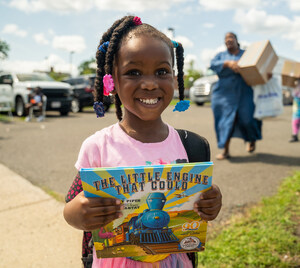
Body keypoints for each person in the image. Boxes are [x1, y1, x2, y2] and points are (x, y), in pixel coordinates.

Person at [63, 15, 222, 268]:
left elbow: (198, 208)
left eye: (162, 71)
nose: (149, 83)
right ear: (111, 81)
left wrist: (211, 203)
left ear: (173, 76)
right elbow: (71, 205)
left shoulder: (190, 145)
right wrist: (79, 214)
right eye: (133, 72)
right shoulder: (98, 146)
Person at [210, 32, 262, 160]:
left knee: (248, 119)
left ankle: (251, 139)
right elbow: (212, 65)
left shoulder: (246, 54)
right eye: (226, 39)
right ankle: (225, 150)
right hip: (224, 94)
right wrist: (227, 63)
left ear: (236, 40)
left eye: (231, 38)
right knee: (226, 122)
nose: (228, 40)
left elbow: (258, 65)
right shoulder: (221, 56)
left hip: (245, 92)